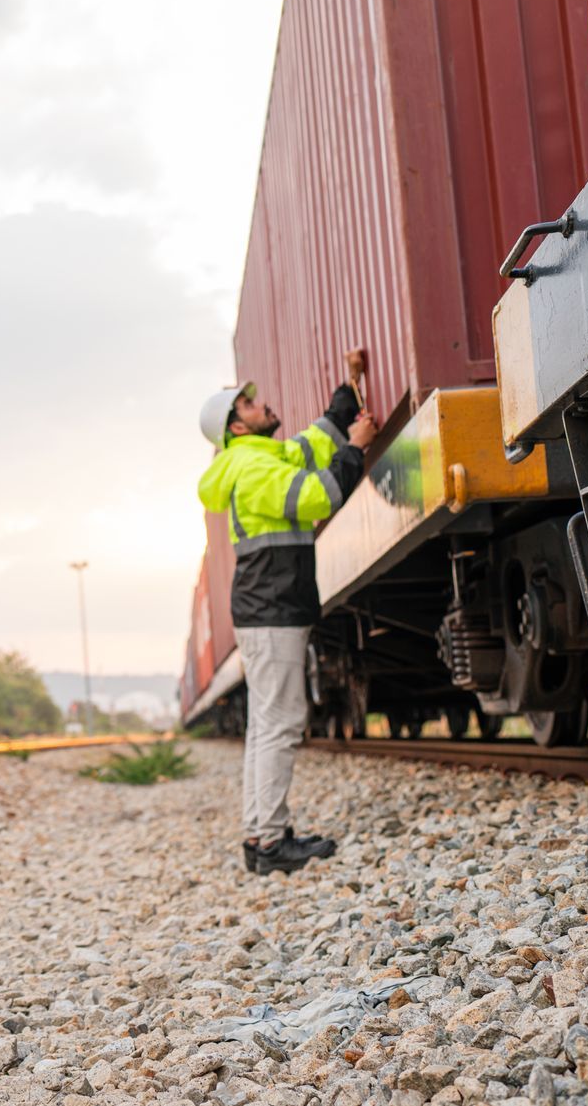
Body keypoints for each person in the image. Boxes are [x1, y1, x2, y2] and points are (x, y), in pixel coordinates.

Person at [196, 374, 375, 875]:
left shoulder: (256, 459)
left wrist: (341, 409)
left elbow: (303, 450)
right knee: (280, 725)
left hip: (268, 609)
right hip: (273, 611)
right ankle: (270, 844)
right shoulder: (252, 466)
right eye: (250, 403)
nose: (262, 403)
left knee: (265, 727)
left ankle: (262, 836)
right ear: (237, 425)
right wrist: (356, 448)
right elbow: (317, 496)